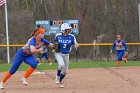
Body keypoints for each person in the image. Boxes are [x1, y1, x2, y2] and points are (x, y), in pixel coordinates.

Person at [53, 23, 79, 88]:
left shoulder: (72, 36)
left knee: (65, 71)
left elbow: (75, 43)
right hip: (59, 53)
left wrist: (76, 44)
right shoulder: (58, 35)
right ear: (63, 30)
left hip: (66, 54)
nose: (69, 30)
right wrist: (55, 47)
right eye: (68, 29)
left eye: (70, 29)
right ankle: (57, 77)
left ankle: (60, 81)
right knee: (61, 64)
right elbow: (55, 44)